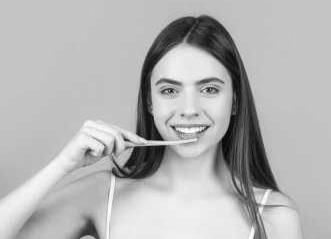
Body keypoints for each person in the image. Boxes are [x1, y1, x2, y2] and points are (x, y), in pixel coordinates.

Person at [0, 15, 304, 239]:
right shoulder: (103, 195)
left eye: (209, 89)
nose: (189, 110)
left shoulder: (274, 216)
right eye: (170, 91)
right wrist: (61, 165)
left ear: (235, 102)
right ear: (150, 102)